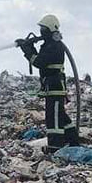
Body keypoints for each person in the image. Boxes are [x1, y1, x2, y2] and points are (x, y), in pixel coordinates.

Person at [16, 14, 79, 148]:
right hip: (51, 85)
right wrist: (30, 47)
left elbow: (39, 62)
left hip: (55, 85)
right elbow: (39, 59)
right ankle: (73, 141)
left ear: (50, 29)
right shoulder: (49, 45)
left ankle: (55, 146)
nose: (41, 32)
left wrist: (27, 51)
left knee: (53, 118)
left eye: (43, 29)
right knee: (60, 115)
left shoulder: (54, 46)